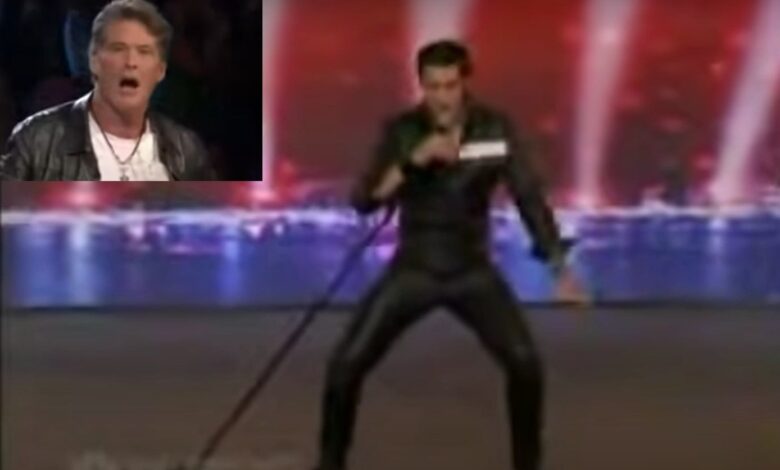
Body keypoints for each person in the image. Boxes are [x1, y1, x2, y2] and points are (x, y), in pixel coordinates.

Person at [312, 40, 588, 470]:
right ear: (421, 86)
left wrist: (559, 268)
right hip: (415, 269)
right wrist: (415, 159)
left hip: (471, 271)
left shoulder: (494, 129)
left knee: (525, 363)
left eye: (450, 86)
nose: (442, 97)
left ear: (464, 84)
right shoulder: (403, 130)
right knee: (345, 364)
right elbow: (366, 200)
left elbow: (528, 196)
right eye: (433, 87)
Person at [0, 0, 215, 181]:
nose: (130, 63)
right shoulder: (36, 139)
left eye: (143, 52)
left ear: (160, 68)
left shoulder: (186, 148)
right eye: (117, 50)